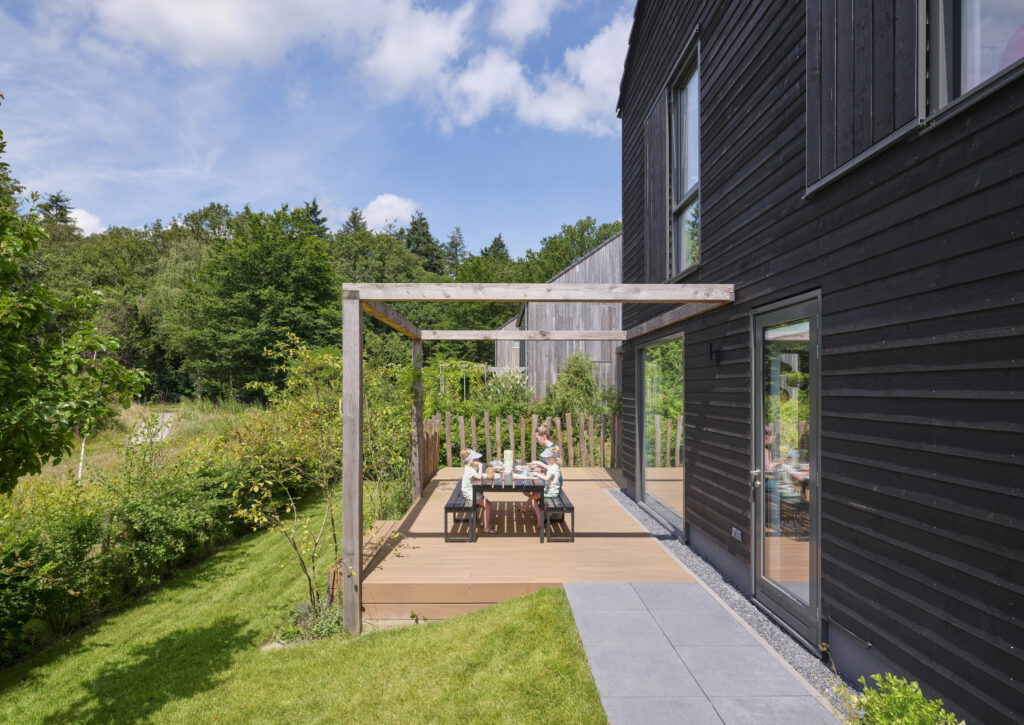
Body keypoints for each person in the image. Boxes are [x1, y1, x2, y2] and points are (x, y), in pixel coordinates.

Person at [521, 423, 557, 512]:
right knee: (526, 489)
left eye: (537, 439)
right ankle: (525, 507)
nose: (536, 441)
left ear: (543, 436)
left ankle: (539, 520)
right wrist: (537, 465)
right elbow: (547, 465)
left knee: (528, 489)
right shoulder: (549, 448)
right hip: (547, 480)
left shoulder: (554, 449)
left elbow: (554, 467)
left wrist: (539, 464)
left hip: (552, 484)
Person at [460, 448, 495, 534]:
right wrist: (480, 467)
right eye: (477, 459)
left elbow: (477, 476)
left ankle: (484, 523)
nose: (479, 461)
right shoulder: (470, 469)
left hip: (471, 491)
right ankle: (486, 528)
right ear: (471, 460)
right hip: (470, 493)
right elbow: (479, 477)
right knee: (488, 505)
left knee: (488, 504)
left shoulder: (469, 467)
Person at [528, 445, 563, 529]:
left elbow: (546, 478)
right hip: (553, 490)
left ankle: (540, 520)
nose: (545, 460)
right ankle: (539, 517)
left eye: (546, 458)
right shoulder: (555, 466)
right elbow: (549, 470)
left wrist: (537, 474)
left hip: (550, 492)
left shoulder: (552, 468)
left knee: (532, 498)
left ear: (552, 458)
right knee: (534, 496)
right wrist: (542, 468)